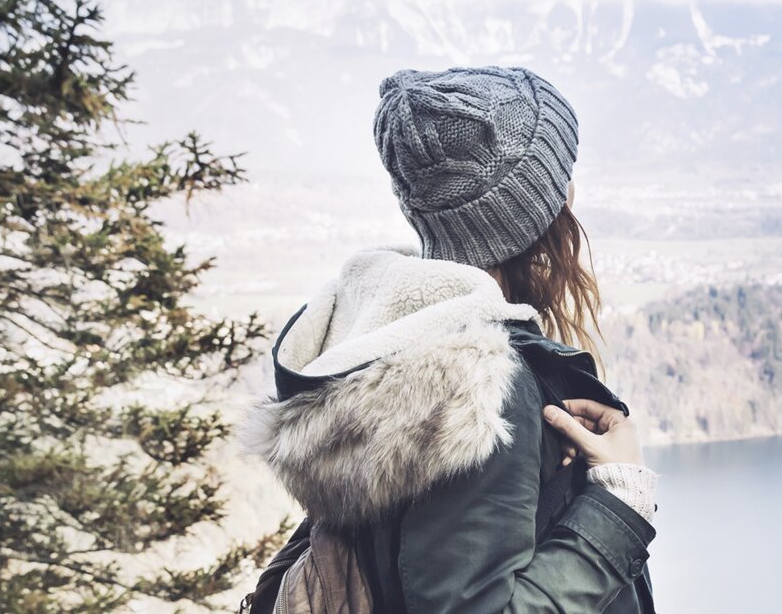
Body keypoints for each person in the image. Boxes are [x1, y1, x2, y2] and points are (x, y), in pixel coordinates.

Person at [241, 66, 658, 613]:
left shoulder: (377, 345)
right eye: (561, 176)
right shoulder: (479, 389)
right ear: (527, 214)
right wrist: (617, 507)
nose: (571, 192)